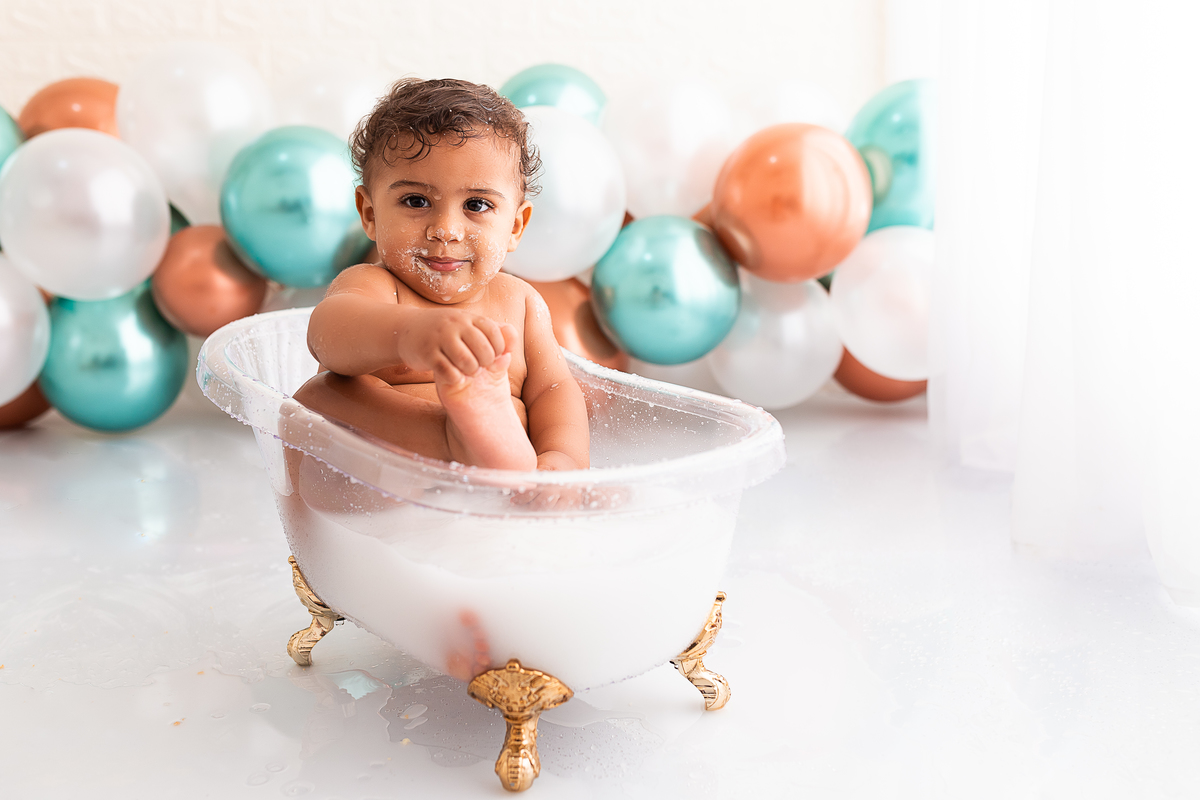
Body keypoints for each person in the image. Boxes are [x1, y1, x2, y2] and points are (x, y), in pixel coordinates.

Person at [294, 78, 589, 473]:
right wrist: (414, 334)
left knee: (534, 413)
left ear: (516, 226)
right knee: (320, 394)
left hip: (500, 495)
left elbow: (554, 389)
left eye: (476, 204)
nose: (446, 229)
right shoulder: (376, 286)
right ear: (369, 213)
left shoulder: (520, 302)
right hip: (379, 482)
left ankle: (485, 443)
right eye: (416, 201)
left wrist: (562, 457)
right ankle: (453, 440)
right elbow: (326, 334)